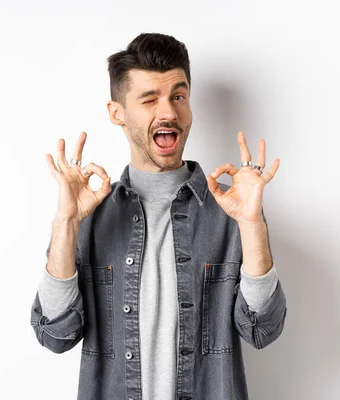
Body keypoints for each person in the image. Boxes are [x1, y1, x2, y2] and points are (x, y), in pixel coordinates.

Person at [30, 32, 287, 400]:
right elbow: (55, 334)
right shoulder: (89, 216)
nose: (168, 112)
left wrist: (252, 224)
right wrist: (66, 221)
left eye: (178, 97)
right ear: (117, 113)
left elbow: (263, 329)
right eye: (149, 99)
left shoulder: (231, 213)